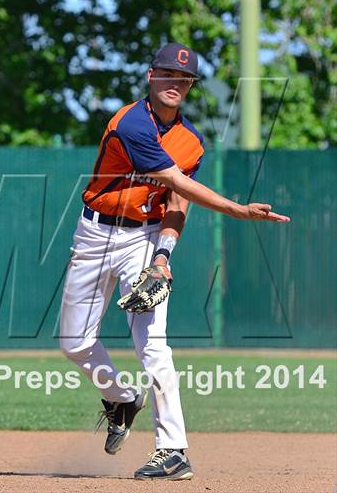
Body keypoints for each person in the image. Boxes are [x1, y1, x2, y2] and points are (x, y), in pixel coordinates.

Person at [59, 42, 290, 481]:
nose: (175, 83)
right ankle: (124, 399)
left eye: (183, 79)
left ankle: (173, 449)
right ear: (151, 76)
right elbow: (171, 178)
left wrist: (163, 256)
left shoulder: (191, 142)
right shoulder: (130, 123)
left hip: (142, 240)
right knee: (73, 342)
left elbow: (177, 201)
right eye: (167, 74)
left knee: (153, 344)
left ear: (189, 87)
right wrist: (238, 210)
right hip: (94, 233)